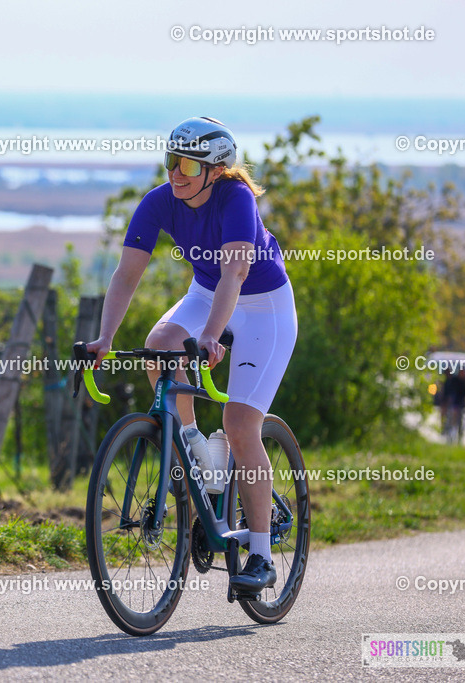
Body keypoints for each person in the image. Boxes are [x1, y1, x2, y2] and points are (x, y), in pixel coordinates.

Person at [85, 117, 297, 592]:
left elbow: (235, 274)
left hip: (263, 306)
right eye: (170, 161)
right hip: (206, 293)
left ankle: (260, 555)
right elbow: (126, 275)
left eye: (186, 164)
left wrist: (212, 337)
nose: (175, 173)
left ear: (216, 170)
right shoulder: (160, 201)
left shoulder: (236, 197)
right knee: (158, 349)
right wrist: (104, 337)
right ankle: (196, 448)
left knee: (242, 426)